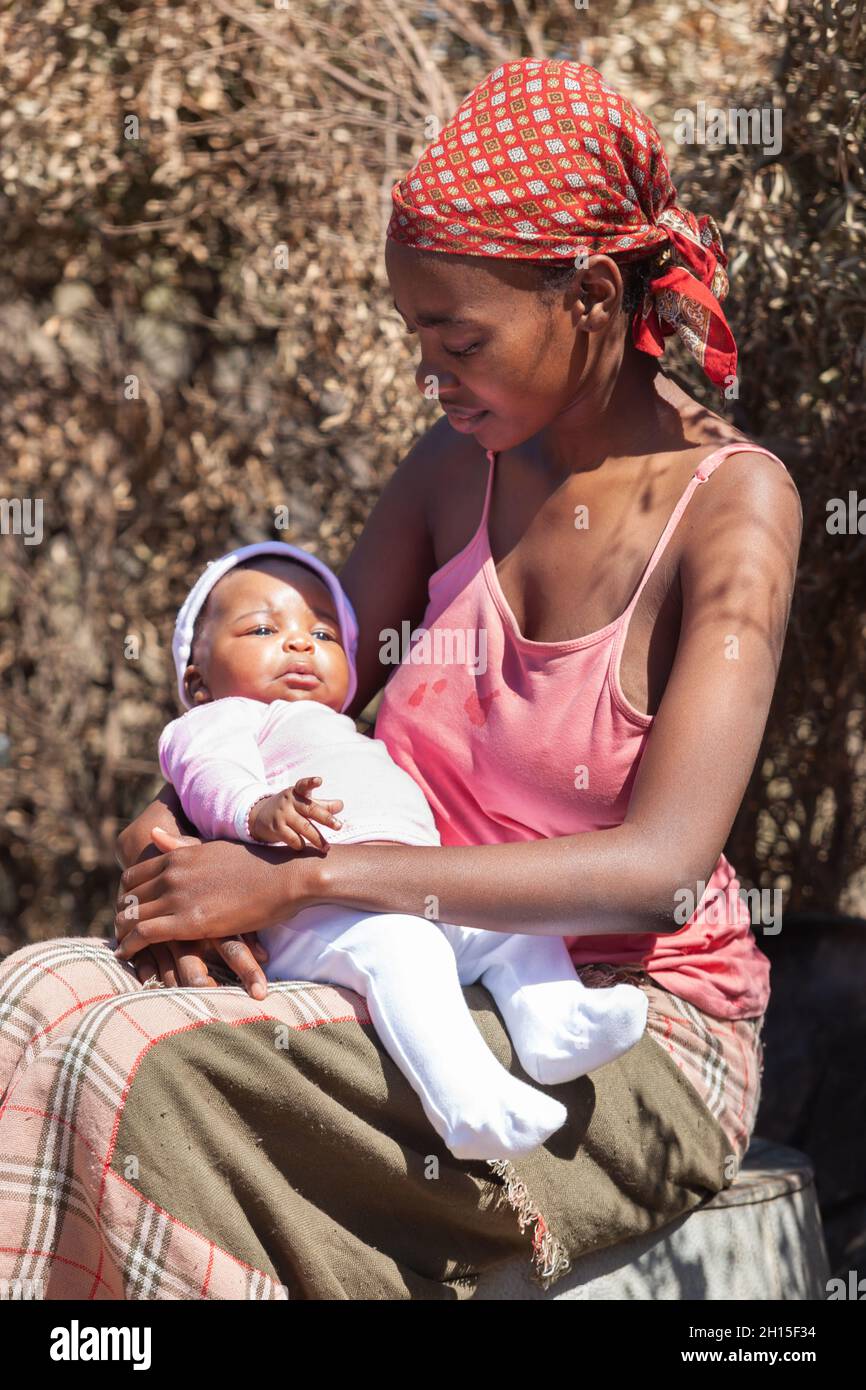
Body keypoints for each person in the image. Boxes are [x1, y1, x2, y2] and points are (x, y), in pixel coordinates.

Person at [0, 57, 801, 1300]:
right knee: (38, 989)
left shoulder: (732, 504)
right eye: (414, 336)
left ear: (590, 293)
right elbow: (267, 711)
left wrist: (292, 878)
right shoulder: (450, 469)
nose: (429, 373)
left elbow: (653, 874)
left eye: (458, 337)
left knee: (151, 1072)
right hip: (399, 946)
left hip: (621, 1021)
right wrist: (165, 855)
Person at [154, 538, 648, 1160]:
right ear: (196, 680)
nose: (302, 642)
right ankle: (469, 1103)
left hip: (396, 893)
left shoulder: (352, 732)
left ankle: (557, 1024)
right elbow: (204, 775)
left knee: (512, 927)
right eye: (262, 628)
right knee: (404, 951)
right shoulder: (222, 719)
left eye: (324, 634)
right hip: (307, 919)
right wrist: (255, 810)